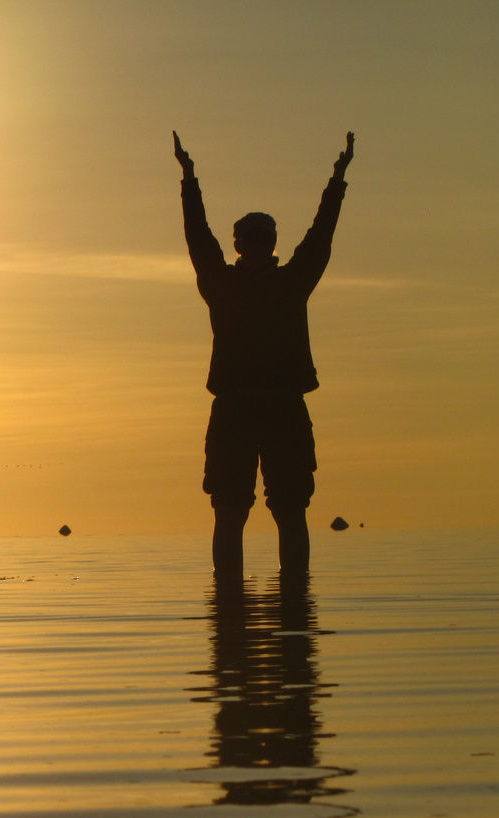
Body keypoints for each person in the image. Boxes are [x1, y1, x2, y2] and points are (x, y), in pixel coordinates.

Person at [174, 130, 354, 578]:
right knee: (229, 512)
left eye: (263, 239)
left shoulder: (292, 283)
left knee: (291, 511)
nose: (256, 246)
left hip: (284, 408)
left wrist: (337, 180)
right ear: (239, 245)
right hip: (233, 408)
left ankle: (295, 606)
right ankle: (229, 612)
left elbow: (321, 236)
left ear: (272, 243)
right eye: (249, 239)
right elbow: (198, 239)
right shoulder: (221, 284)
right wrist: (189, 180)